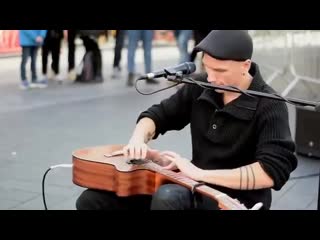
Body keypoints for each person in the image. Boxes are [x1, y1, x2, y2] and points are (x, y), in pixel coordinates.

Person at [76, 30, 297, 210]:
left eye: (219, 70)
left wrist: (198, 173)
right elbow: (156, 115)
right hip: (193, 185)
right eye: (207, 68)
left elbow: (271, 171)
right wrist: (138, 142)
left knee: (168, 198)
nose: (211, 78)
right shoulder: (202, 85)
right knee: (92, 200)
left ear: (245, 65)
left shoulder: (271, 105)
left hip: (235, 200)